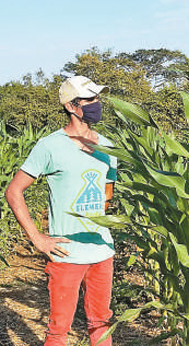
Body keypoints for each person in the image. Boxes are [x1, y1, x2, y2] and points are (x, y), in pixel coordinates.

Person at [6, 76, 117, 346]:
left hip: (102, 251)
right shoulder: (50, 146)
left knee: (102, 322)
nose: (96, 104)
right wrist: (37, 237)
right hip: (66, 253)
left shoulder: (109, 148)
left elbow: (107, 195)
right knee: (59, 329)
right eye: (89, 99)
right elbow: (13, 191)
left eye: (96, 98)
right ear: (71, 105)